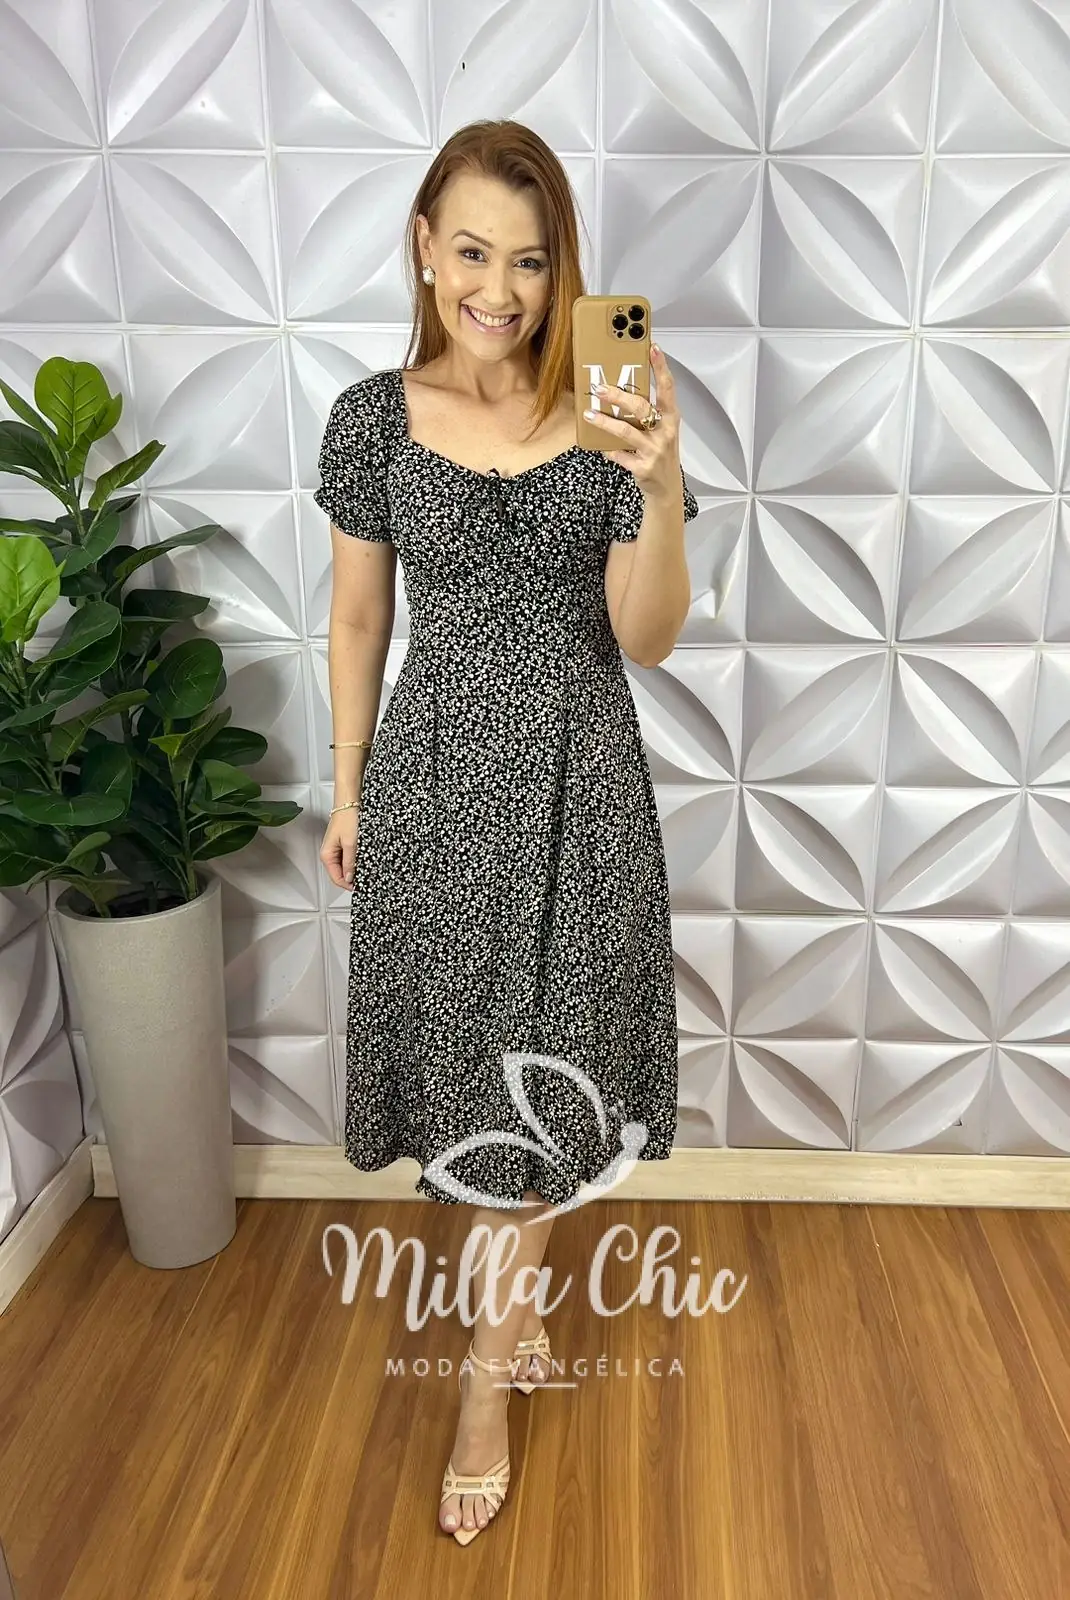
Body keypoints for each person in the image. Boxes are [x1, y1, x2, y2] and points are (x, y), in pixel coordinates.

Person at [313, 119, 699, 1546]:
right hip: (430, 788)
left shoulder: (612, 409)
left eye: (531, 262)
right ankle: (515, 1313)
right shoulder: (370, 420)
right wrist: (349, 788)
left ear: (563, 270)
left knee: (542, 1093)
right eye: (472, 251)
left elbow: (646, 639)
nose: (500, 290)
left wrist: (657, 483)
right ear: (424, 247)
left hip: (579, 787)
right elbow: (360, 619)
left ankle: (484, 1391)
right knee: (479, 1083)